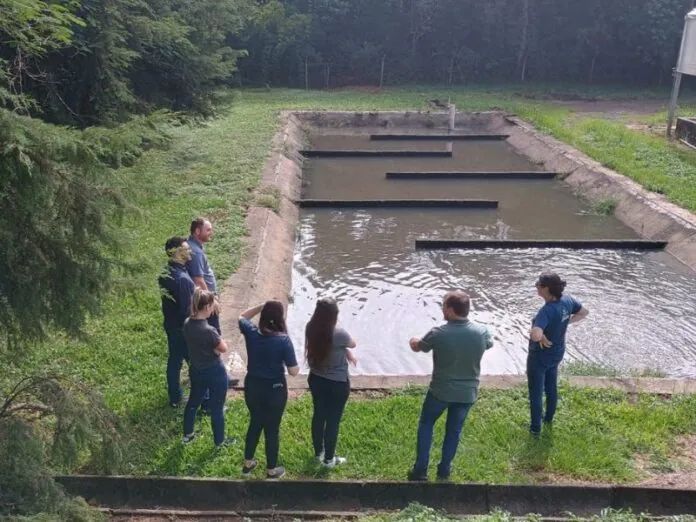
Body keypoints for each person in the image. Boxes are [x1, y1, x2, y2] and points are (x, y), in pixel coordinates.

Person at [407, 290, 493, 482]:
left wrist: (413, 339)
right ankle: (444, 470)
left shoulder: (439, 333)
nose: (442, 309)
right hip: (467, 393)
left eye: (444, 306)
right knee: (453, 431)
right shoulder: (481, 332)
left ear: (451, 310)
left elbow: (419, 346)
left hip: (440, 391)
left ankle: (420, 470)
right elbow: (489, 344)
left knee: (426, 424)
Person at [239, 300, 299, 479]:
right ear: (280, 318)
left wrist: (260, 306)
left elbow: (241, 316)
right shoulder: (283, 340)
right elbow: (294, 371)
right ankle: (272, 470)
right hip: (275, 389)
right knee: (272, 429)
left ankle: (248, 463)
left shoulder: (251, 333)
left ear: (264, 315)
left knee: (255, 422)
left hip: (253, 386)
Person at [527, 273, 589, 437]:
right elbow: (584, 312)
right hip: (558, 351)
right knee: (551, 387)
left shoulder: (546, 311)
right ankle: (548, 419)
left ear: (546, 288)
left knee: (536, 392)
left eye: (539, 284)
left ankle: (535, 428)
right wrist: (566, 321)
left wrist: (540, 334)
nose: (536, 287)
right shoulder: (568, 301)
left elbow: (535, 335)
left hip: (539, 357)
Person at [305, 297, 357, 468]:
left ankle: (318, 453)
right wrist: (348, 351)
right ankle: (329, 460)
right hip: (337, 384)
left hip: (316, 379)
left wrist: (345, 352)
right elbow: (353, 343)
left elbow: (327, 346)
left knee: (319, 415)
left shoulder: (310, 328)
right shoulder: (340, 334)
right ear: (334, 315)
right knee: (333, 421)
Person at [187, 217, 239, 387]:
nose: (211, 233)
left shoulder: (195, 247)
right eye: (208, 230)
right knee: (214, 336)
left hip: (206, 299)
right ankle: (221, 374)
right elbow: (198, 279)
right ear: (197, 231)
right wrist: (212, 300)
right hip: (206, 301)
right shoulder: (195, 252)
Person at [182, 288, 232, 448]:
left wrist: (214, 348)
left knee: (193, 403)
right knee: (217, 407)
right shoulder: (209, 330)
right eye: (212, 306)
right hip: (214, 372)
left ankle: (188, 435)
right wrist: (217, 348)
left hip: (196, 370)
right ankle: (219, 442)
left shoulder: (187, 323)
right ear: (207, 307)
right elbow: (223, 348)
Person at [158, 236, 195, 408]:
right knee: (196, 363)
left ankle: (175, 397)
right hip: (183, 328)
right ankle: (203, 398)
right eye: (187, 249)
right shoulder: (183, 280)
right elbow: (187, 310)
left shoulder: (166, 272)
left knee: (174, 361)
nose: (190, 251)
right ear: (177, 253)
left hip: (171, 323)